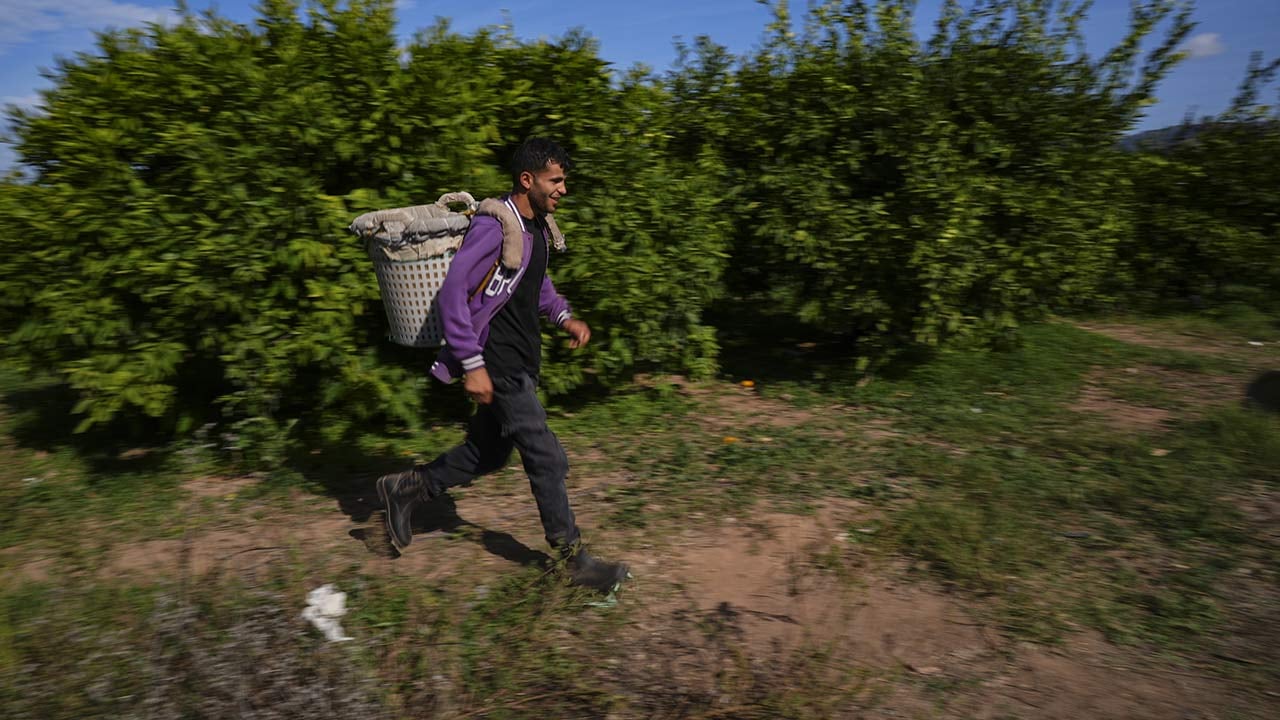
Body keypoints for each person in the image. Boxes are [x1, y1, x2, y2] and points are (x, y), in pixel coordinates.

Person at [377, 138, 629, 592]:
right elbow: (454, 291)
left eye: (564, 181)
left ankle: (407, 489)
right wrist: (471, 364)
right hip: (497, 360)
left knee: (488, 453)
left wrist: (564, 316)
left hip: (520, 358)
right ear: (527, 180)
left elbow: (534, 282)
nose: (563, 190)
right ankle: (574, 561)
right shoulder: (495, 228)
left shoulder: (534, 229)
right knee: (545, 455)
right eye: (556, 181)